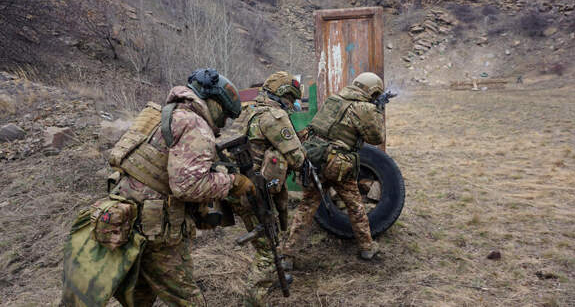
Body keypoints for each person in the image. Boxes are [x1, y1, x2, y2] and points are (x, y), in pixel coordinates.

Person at [62, 68, 255, 306]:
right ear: (213, 103)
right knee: (187, 299)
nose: (223, 123)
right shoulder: (195, 125)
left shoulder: (164, 114)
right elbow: (188, 185)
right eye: (224, 115)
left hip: (124, 217)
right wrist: (233, 182)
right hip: (155, 229)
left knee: (139, 296)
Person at [283, 72, 385, 262]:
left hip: (315, 158)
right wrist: (377, 111)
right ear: (372, 91)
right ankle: (367, 247)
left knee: (306, 207)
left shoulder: (334, 99)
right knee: (355, 206)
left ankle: (287, 255)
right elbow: (376, 138)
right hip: (339, 164)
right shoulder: (364, 107)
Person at [225, 71, 305, 301]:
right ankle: (253, 299)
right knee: (267, 250)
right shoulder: (274, 115)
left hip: (236, 186)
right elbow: (297, 159)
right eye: (291, 99)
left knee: (270, 237)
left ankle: (275, 275)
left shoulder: (247, 110)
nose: (291, 104)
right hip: (254, 191)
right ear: (284, 95)